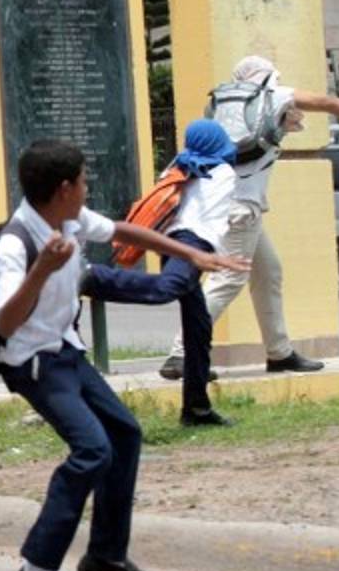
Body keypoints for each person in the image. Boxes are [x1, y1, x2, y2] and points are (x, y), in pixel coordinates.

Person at [0, 140, 246, 571]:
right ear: (64, 188)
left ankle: (105, 556)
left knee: (124, 434)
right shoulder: (17, 243)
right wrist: (41, 270)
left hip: (65, 352)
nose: (87, 188)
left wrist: (191, 255)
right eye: (83, 181)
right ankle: (38, 569)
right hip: (33, 363)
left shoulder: (69, 219)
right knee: (92, 450)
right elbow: (5, 323)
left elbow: (124, 231)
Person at [161, 55, 339, 380]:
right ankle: (181, 354)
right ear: (268, 76)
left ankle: (279, 352)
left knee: (268, 271)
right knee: (228, 279)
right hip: (240, 208)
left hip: (226, 204)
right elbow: (328, 102)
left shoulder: (221, 105)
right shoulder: (275, 96)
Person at [82, 119, 242, 426]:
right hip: (192, 243)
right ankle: (92, 277)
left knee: (198, 326)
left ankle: (197, 409)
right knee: (166, 288)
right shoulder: (223, 170)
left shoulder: (178, 165)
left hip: (171, 240)